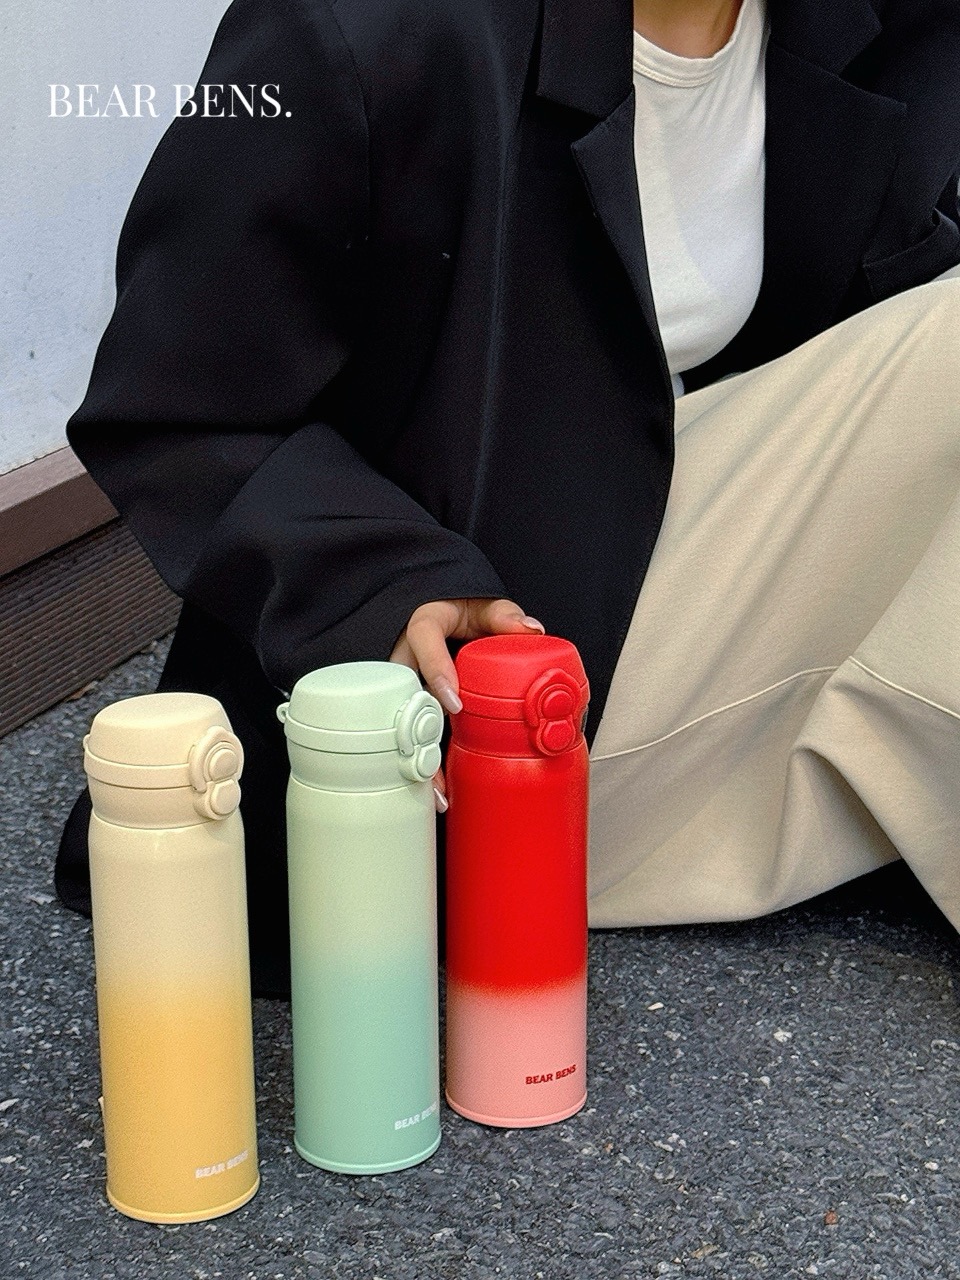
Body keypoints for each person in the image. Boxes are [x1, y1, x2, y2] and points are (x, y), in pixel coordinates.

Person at [56, 0, 960, 996]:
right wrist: (378, 579)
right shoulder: (365, 24)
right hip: (472, 721)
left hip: (692, 595)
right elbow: (176, 401)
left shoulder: (886, 27)